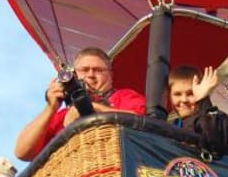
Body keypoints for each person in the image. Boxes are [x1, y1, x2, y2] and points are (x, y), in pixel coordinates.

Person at [14, 47, 146, 161]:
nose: (90, 75)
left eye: (98, 70)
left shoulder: (124, 97)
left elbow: (145, 123)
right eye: (84, 70)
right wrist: (51, 107)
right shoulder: (62, 114)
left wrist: (91, 108)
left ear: (111, 76)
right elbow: (22, 152)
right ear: (75, 76)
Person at [167, 65, 228, 155]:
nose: (184, 99)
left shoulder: (216, 118)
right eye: (177, 94)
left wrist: (203, 100)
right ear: (170, 97)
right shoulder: (171, 124)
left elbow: (217, 142)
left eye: (190, 93)